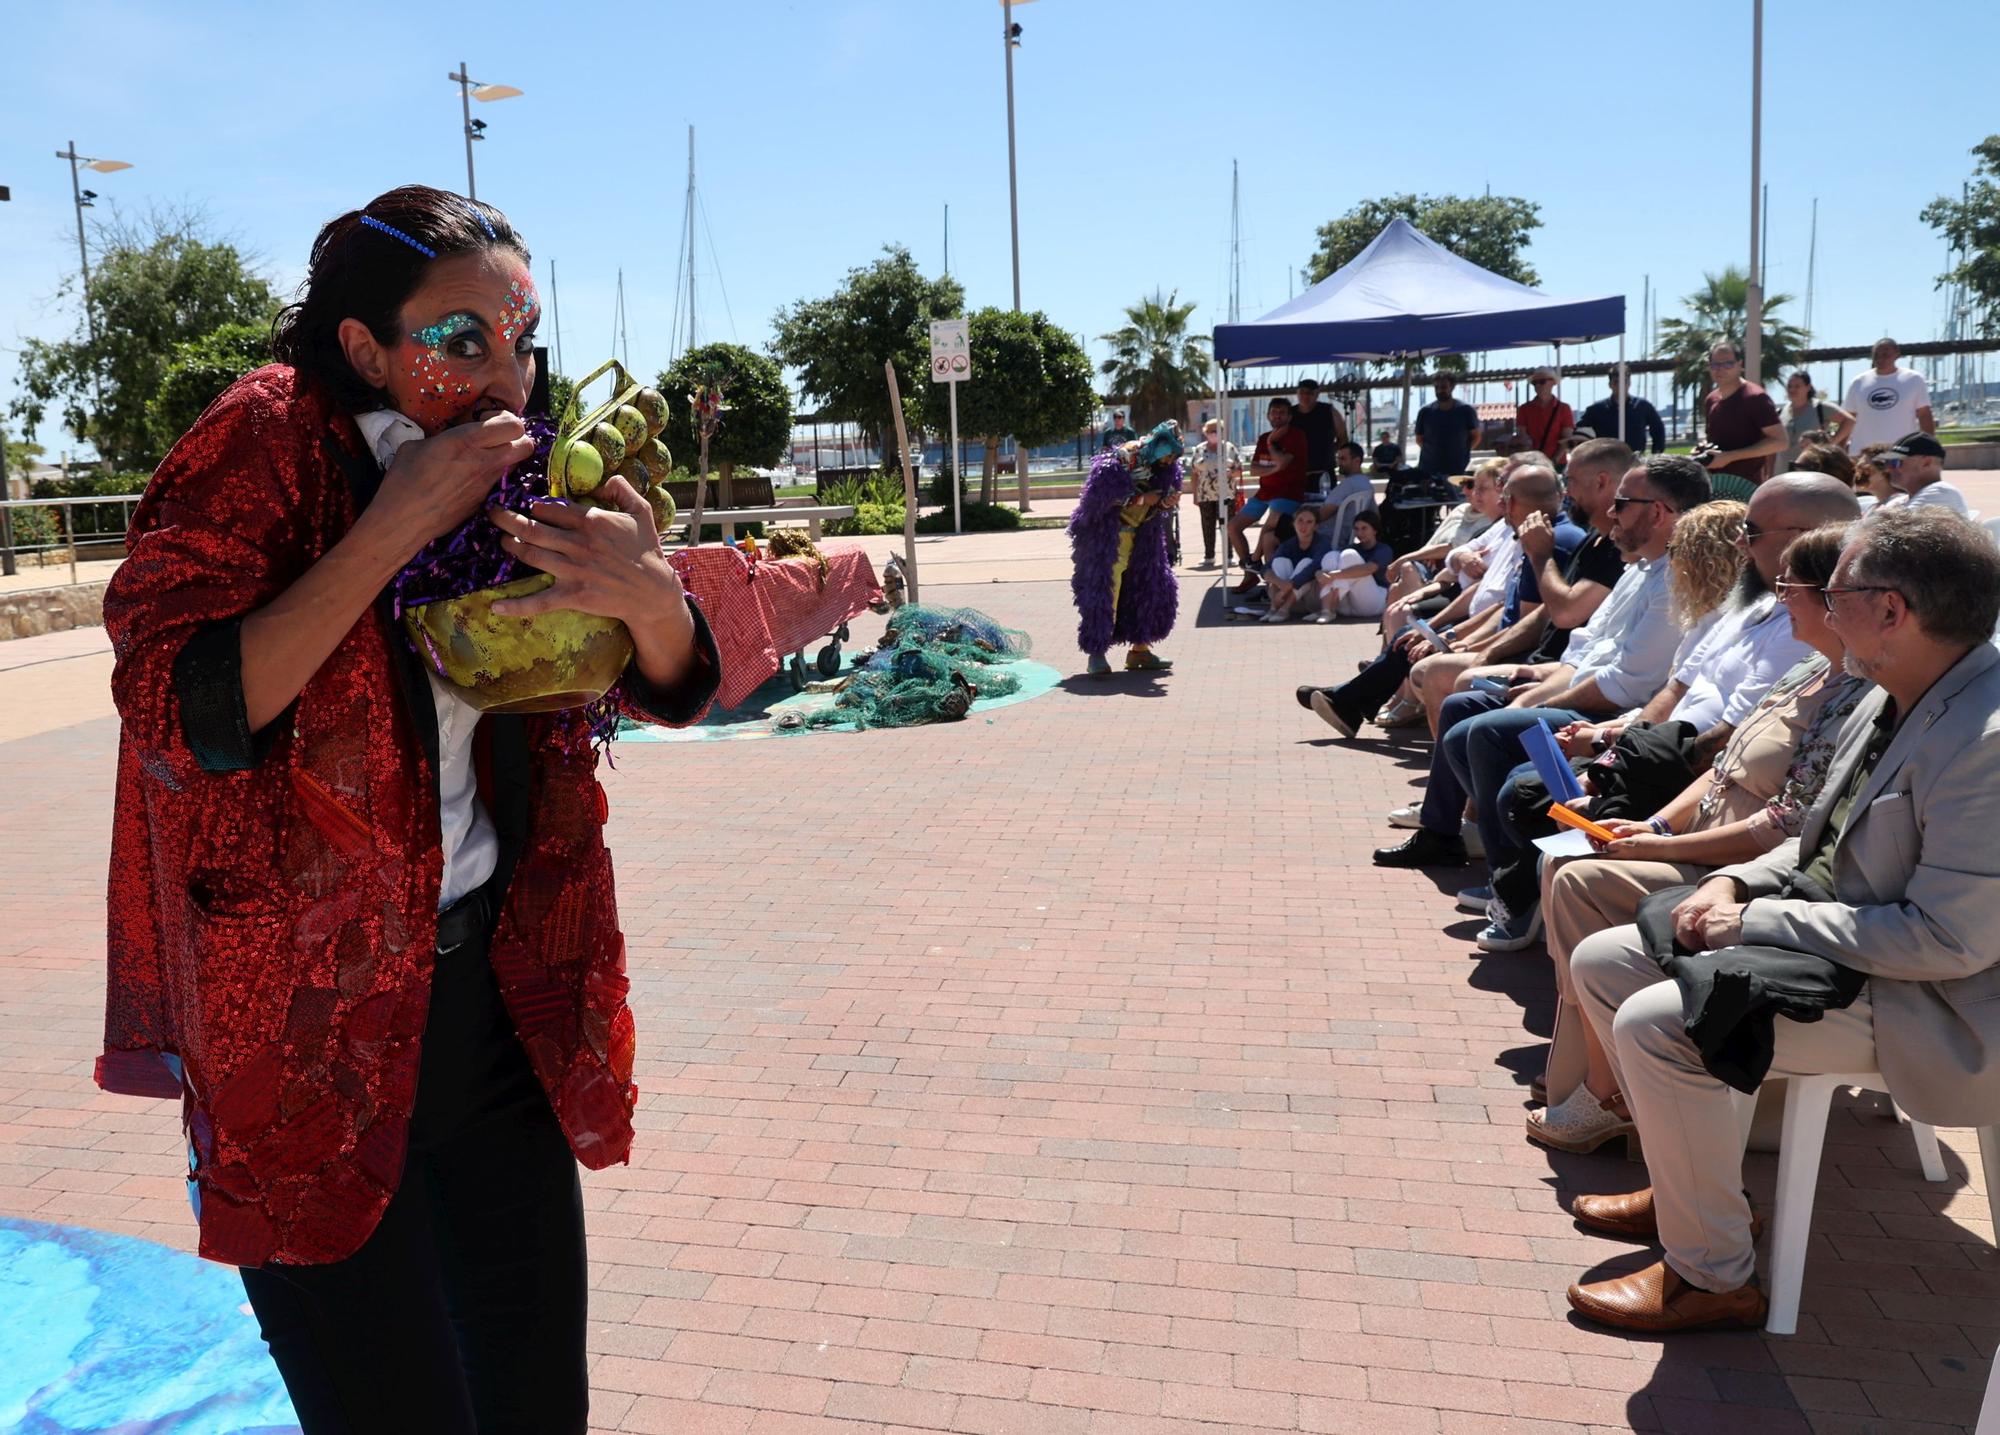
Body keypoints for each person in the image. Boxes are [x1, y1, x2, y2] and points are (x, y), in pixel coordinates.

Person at [95, 185, 722, 1433]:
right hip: (306, 1034)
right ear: (362, 348)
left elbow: (670, 683)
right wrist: (392, 530)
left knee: (534, 1402)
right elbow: (181, 708)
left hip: (485, 1014)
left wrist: (648, 598)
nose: (504, 376)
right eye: (458, 339)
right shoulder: (261, 443)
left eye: (518, 336)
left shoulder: (534, 466)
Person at [1563, 507, 2000, 1334]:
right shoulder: (1894, 694)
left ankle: (1711, 1274)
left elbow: (1949, 942)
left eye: (1832, 594)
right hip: (1848, 952)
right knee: (1606, 961)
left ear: (1892, 611)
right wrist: (1729, 886)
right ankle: (1695, 1191)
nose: (1818, 610)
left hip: (1933, 1001)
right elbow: (1814, 842)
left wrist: (1759, 922)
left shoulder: (1986, 739)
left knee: (1662, 1022)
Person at [1528, 524, 1870, 1153]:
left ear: (1831, 599)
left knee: (1580, 878)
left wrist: (1657, 848)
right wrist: (1653, 825)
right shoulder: (1805, 670)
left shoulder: (1856, 696)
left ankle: (1610, 1089)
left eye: (1789, 585)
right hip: (1701, 841)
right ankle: (1596, 1076)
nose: (1776, 595)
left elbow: (1788, 824)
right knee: (1567, 863)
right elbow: (1721, 766)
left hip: (1738, 866)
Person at [1475, 475, 1858, 951]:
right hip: (1684, 798)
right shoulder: (1799, 658)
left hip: (1714, 832)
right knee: (1549, 823)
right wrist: (1648, 816)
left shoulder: (1848, 685)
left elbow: (1786, 823)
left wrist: (1647, 819)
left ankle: (1524, 905)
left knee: (1543, 820)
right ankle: (1525, 906)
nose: (1741, 545)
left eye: (1753, 534)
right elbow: (1715, 750)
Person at [1372, 455, 1711, 872]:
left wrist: (1532, 698)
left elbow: (1615, 676)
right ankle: (1442, 833)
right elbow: (1582, 649)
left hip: (1607, 712)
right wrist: (1528, 675)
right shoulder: (1637, 566)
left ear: (1657, 512)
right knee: (1464, 706)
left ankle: (1512, 875)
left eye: (1621, 503)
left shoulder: (1671, 581)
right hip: (1576, 684)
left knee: (1485, 729)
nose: (1609, 512)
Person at [1304, 464, 1575, 735]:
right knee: (1411, 636)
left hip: (1514, 650)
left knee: (1426, 663)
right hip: (1478, 619)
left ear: (1511, 501)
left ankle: (1357, 701)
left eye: (1496, 491)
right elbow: (1482, 585)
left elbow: (1525, 622)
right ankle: (1354, 700)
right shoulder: (1520, 534)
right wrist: (1448, 633)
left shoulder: (1546, 542)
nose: (1475, 494)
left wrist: (1473, 646)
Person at [1069, 421, 1183, 674]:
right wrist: (1142, 498)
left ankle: (1139, 651)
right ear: (1157, 446)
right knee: (1106, 594)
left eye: (1175, 456)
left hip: (1143, 541)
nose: (1170, 461)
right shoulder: (1120, 459)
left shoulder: (1164, 468)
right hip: (1108, 541)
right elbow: (1096, 501)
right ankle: (1096, 653)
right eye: (1168, 454)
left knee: (1148, 591)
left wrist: (1165, 503)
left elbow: (1156, 504)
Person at [1228, 398, 1310, 587]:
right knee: (1233, 527)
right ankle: (1250, 574)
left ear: (1289, 416)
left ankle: (1255, 560)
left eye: (1282, 412)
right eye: (1274, 412)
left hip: (1288, 493)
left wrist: (1272, 443)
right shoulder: (1263, 437)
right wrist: (1274, 468)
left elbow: (1283, 461)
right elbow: (1254, 470)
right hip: (1265, 492)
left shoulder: (1296, 436)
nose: (1277, 416)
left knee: (1271, 519)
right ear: (1268, 415)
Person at [1699, 341, 1787, 500]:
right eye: (1715, 364)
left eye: (1728, 364)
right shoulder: (1711, 400)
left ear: (1740, 364)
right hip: (1715, 488)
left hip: (1747, 489)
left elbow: (1780, 441)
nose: (1720, 369)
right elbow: (1712, 437)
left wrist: (1730, 456)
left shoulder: (1755, 397)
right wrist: (1702, 450)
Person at [1842, 336, 1936, 453]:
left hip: (1901, 452)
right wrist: (1841, 447)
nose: (1881, 359)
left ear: (1897, 355)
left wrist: (1931, 447)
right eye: (1877, 355)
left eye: (1886, 355)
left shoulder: (1914, 379)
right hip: (1863, 453)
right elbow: (1849, 418)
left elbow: (1924, 415)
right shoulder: (1858, 382)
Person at [1313, 509, 1396, 621]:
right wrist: (1319, 573)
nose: (1359, 533)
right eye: (1356, 529)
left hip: (1373, 603)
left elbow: (1368, 569)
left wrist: (1333, 575)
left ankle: (1328, 608)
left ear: (1375, 530)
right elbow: (1329, 564)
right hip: (1347, 607)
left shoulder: (1383, 549)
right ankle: (1326, 610)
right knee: (1332, 555)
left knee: (1349, 556)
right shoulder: (1353, 547)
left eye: (1364, 528)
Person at [1262, 502, 1335, 622]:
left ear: (1316, 526)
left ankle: (1284, 610)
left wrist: (1288, 586)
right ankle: (1274, 608)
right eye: (1300, 520)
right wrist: (1280, 583)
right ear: (1293, 523)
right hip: (1285, 595)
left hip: (1312, 598)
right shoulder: (1288, 544)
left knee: (1306, 563)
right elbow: (1266, 568)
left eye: (1309, 522)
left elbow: (1313, 567)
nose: (1303, 525)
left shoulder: (1323, 542)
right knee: (1279, 561)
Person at [1183, 418, 1242, 567]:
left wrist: (1231, 473)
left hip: (1226, 494)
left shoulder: (1230, 448)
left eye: (1217, 431)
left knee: (1227, 525)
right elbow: (1194, 473)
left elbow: (1239, 470)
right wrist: (1195, 494)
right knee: (1207, 526)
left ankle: (1229, 556)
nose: (1214, 434)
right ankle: (1209, 556)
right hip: (1205, 494)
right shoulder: (1199, 449)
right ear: (1205, 433)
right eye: (1211, 431)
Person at [1873, 430, 1968, 517]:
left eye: (1895, 462)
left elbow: (1892, 526)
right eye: (1888, 462)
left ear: (1926, 463)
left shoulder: (1941, 492)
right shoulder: (1900, 500)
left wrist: (1882, 514)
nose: (1888, 468)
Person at [1774, 370, 1854, 472]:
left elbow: (1849, 421)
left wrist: (1830, 443)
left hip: (1812, 471)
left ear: (1808, 387)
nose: (1792, 389)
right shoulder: (1780, 412)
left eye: (1797, 386)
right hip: (1782, 472)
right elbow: (1773, 447)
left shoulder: (1820, 408)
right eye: (1789, 386)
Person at [1577, 372, 1667, 455]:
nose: (1620, 386)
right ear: (1610, 385)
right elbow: (1579, 432)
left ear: (1629, 384)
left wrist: (1657, 452)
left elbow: (1658, 428)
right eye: (1616, 382)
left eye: (1624, 382)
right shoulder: (1597, 409)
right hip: (1606, 459)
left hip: (1635, 457)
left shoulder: (1642, 406)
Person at [1413, 374, 1481, 478]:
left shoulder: (1466, 410)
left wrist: (1461, 452)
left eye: (1444, 387)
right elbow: (1419, 439)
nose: (1440, 390)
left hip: (1457, 468)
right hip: (1429, 469)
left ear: (1452, 387)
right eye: (1436, 387)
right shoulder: (1425, 412)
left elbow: (1476, 437)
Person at [1314, 439, 1375, 544]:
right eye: (1338, 458)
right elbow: (1375, 513)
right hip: (1346, 537)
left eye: (1343, 459)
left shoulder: (1347, 485)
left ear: (1356, 461)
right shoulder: (1367, 484)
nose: (1339, 463)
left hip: (1324, 537)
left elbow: (1323, 514)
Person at [1292, 377, 1348, 488]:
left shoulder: (1329, 411)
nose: (1305, 396)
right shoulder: (1290, 414)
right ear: (1297, 393)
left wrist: (1330, 451)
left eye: (1310, 393)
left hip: (1324, 474)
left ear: (1317, 394)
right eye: (1302, 392)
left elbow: (1343, 438)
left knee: (1327, 504)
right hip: (1296, 474)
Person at [1516, 369, 1574, 462]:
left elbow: (1566, 438)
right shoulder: (1524, 409)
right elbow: (1522, 437)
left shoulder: (1564, 408)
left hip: (1557, 462)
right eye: (1535, 383)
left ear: (1553, 383)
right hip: (1532, 461)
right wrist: (1533, 459)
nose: (1538, 385)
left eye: (1542, 382)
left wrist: (1554, 460)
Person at [1853, 442, 1897, 508]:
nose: (1858, 474)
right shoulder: (1870, 507)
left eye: (1865, 469)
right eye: (1857, 469)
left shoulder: (1899, 504)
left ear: (1884, 470)